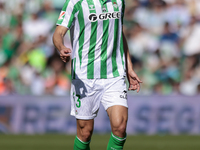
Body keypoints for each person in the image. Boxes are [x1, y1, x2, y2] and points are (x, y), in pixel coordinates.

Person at [53, 0, 142, 149]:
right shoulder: (75, 3)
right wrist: (61, 47)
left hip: (114, 74)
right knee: (85, 132)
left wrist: (129, 68)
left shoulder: (118, 2)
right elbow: (58, 33)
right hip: (84, 76)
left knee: (120, 127)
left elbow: (119, 34)